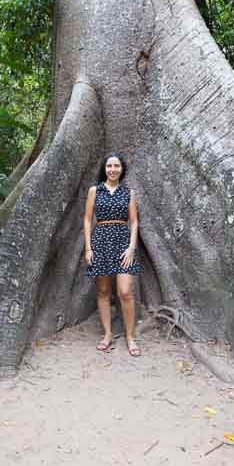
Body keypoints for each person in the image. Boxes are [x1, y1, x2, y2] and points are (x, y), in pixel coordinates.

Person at [83, 151, 143, 357]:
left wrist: (132, 247)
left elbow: (134, 221)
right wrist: (88, 248)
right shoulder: (94, 191)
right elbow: (87, 219)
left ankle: (130, 336)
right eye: (109, 166)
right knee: (102, 291)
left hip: (123, 243)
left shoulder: (129, 193)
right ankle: (107, 334)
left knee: (125, 291)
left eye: (117, 166)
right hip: (100, 240)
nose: (113, 169)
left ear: (122, 169)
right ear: (104, 169)